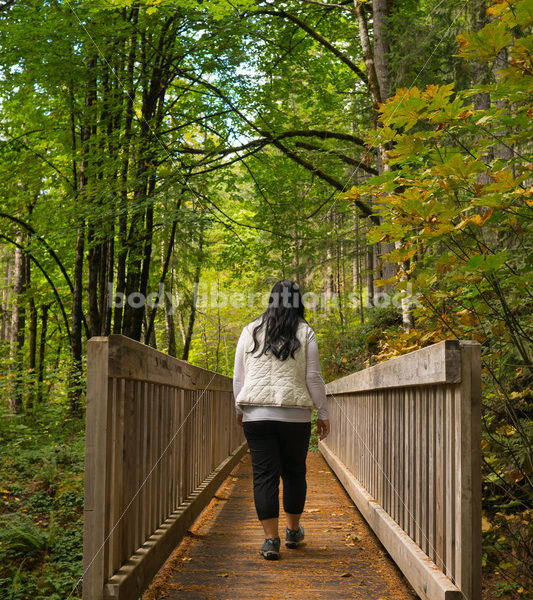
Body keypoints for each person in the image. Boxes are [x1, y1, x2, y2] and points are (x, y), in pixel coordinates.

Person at [233, 279, 330, 560]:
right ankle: (292, 531)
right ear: (297, 301)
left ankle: (270, 540)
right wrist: (322, 413)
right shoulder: (305, 331)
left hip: (256, 414)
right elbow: (313, 377)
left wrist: (240, 408)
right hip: (295, 415)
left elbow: (239, 377)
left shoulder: (250, 330)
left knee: (264, 476)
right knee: (294, 472)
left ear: (271, 301)